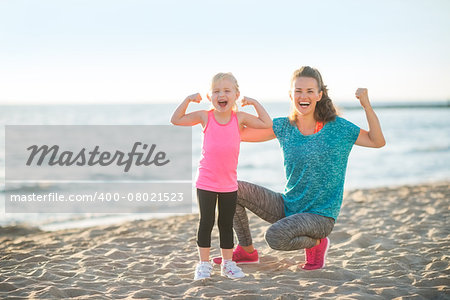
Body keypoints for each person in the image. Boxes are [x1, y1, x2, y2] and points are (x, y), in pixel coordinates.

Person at [212, 66, 385, 270]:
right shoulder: (284, 126)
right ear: (291, 95)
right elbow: (239, 134)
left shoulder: (338, 128)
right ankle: (247, 251)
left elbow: (377, 141)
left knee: (275, 237)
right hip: (288, 206)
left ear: (319, 95)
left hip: (320, 216)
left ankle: (317, 243)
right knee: (230, 188)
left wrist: (366, 106)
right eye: (298, 91)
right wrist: (230, 104)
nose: (304, 96)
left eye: (310, 91)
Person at [171, 72, 272, 280]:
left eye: (226, 91)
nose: (221, 95)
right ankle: (203, 265)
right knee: (205, 222)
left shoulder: (239, 118)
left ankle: (228, 264)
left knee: (226, 225)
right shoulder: (204, 116)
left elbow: (266, 123)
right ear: (210, 96)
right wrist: (188, 100)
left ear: (236, 95)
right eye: (216, 91)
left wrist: (254, 103)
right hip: (206, 182)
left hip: (228, 184)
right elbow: (176, 120)